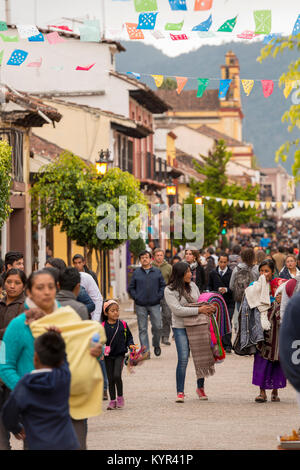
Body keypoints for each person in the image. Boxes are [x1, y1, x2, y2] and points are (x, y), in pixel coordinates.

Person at [0, 269, 104, 450]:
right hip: (36, 410)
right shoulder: (18, 325)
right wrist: (26, 391)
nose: (46, 292)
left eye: (50, 286)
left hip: (72, 400)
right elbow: (4, 365)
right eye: (40, 287)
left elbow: (87, 340)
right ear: (29, 292)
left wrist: (96, 349)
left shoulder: (69, 315)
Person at [2, 331, 79, 450]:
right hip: (67, 443)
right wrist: (57, 336)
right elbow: (64, 360)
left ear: (35, 358)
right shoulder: (63, 377)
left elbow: (8, 415)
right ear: (60, 360)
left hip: (39, 444)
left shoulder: (25, 384)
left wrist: (17, 428)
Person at [164, 262, 216, 403]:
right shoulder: (169, 290)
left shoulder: (193, 286)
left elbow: (200, 301)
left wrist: (208, 307)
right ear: (180, 274)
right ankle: (180, 392)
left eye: (190, 271)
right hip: (180, 327)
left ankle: (200, 388)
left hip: (197, 325)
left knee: (200, 357)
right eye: (187, 272)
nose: (190, 274)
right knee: (183, 359)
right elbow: (178, 310)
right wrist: (199, 310)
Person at [250, 260, 287, 403]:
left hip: (278, 330)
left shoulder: (281, 284)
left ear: (272, 272)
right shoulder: (255, 286)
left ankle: (275, 390)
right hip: (261, 329)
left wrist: (280, 300)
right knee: (261, 360)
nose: (263, 274)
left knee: (277, 360)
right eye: (261, 271)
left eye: (266, 271)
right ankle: (262, 392)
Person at [0, 269, 27, 449]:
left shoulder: (27, 307)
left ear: (23, 285)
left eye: (17, 282)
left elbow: (19, 333)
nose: (12, 286)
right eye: (9, 281)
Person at [128, 250, 166, 358]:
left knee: (158, 326)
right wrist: (136, 297)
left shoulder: (157, 272)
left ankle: (156, 343)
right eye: (142, 258)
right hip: (141, 305)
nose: (144, 259)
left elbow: (163, 286)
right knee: (142, 328)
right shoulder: (136, 273)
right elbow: (131, 288)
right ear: (140, 260)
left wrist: (158, 296)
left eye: (146, 257)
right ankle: (146, 352)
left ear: (150, 259)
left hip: (155, 304)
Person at [101, 300, 134, 410]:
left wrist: (131, 345)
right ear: (106, 313)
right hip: (107, 356)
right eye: (112, 311)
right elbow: (99, 341)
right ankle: (112, 400)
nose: (116, 313)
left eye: (117, 310)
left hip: (120, 354)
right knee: (110, 378)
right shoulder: (102, 326)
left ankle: (120, 397)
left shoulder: (123, 325)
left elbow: (129, 337)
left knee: (116, 375)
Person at [208, 253, 234, 353]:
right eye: (220, 262)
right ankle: (218, 343)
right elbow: (209, 286)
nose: (222, 264)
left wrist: (226, 290)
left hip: (229, 302)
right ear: (218, 262)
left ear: (227, 262)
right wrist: (214, 291)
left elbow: (234, 288)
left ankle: (227, 345)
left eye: (224, 262)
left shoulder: (231, 273)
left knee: (227, 322)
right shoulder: (213, 273)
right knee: (217, 323)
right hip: (216, 302)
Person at [152, 249, 172, 346]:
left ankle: (165, 337)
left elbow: (172, 280)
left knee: (167, 315)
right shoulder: (150, 266)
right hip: (153, 293)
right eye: (157, 255)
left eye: (161, 255)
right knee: (155, 316)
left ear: (163, 256)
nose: (159, 257)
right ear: (154, 256)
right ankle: (156, 336)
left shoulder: (169, 267)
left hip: (165, 293)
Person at [229, 248, 259, 313]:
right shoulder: (257, 269)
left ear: (242, 257)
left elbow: (231, 286)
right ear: (253, 257)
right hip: (254, 299)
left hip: (240, 299)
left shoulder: (237, 269)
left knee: (241, 319)